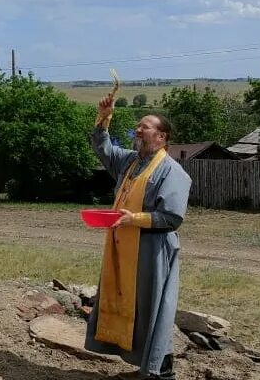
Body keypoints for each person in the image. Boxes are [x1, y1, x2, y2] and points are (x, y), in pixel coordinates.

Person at [84, 91, 192, 380]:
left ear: (162, 137)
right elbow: (104, 150)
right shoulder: (130, 162)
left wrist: (135, 219)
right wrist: (104, 117)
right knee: (127, 304)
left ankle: (162, 370)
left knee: (154, 309)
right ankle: (146, 367)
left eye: (145, 126)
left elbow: (171, 217)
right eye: (138, 126)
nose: (138, 130)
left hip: (151, 252)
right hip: (122, 247)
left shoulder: (172, 172)